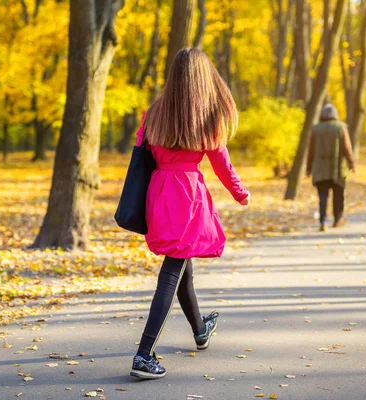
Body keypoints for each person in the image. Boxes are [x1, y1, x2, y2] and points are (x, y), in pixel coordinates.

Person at [130, 48, 250, 380]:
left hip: (159, 192)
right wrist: (241, 193)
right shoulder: (205, 116)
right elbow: (222, 164)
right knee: (172, 270)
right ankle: (143, 355)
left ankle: (200, 329)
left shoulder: (153, 113)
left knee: (183, 267)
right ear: (202, 78)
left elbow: (143, 152)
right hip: (187, 195)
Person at [306, 104, 355, 232]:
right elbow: (347, 148)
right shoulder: (340, 127)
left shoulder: (316, 129)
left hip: (320, 169)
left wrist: (308, 168)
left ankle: (322, 221)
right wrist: (351, 164)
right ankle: (337, 219)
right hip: (337, 169)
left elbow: (310, 150)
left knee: (323, 196)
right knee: (338, 195)